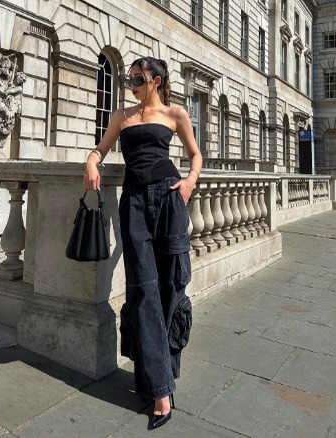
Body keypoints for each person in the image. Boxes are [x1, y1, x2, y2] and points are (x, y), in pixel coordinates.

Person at [83, 56, 202, 429]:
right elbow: (100, 150)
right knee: (143, 288)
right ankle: (161, 390)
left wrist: (189, 182)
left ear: (156, 81)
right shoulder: (122, 116)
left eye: (137, 79)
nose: (131, 85)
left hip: (169, 199)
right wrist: (91, 162)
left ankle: (159, 373)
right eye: (129, 79)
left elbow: (195, 155)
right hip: (134, 202)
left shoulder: (175, 114)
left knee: (171, 284)